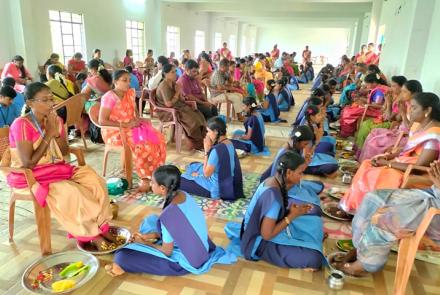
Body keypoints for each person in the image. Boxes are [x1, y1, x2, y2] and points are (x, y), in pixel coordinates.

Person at [4, 82, 113, 249]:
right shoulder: (22, 124)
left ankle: (102, 227)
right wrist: (48, 133)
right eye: (45, 100)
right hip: (29, 175)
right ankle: (90, 234)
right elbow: (28, 163)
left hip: (54, 169)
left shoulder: (54, 120)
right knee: (73, 193)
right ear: (30, 103)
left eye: (51, 98)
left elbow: (62, 152)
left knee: (95, 181)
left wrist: (58, 130)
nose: (51, 103)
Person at [106, 165, 236, 276]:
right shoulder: (184, 195)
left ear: (163, 188)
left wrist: (143, 243)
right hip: (202, 247)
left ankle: (122, 265)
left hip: (189, 261)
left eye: (152, 182)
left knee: (122, 256)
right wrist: (148, 236)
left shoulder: (169, 216)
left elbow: (167, 252)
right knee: (152, 220)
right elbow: (177, 228)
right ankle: (142, 243)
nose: (150, 185)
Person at [335, 160, 440, 277]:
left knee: (387, 219)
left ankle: (367, 263)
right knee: (374, 198)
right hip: (432, 194)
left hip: (436, 209)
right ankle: (360, 246)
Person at [340, 92, 440, 214]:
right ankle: (356, 208)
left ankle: (368, 212)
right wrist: (392, 156)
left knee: (374, 173)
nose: (410, 111)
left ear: (428, 110)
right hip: (404, 162)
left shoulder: (434, 135)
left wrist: (388, 164)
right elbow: (409, 149)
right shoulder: (419, 125)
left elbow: (418, 168)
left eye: (414, 108)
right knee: (367, 163)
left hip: (412, 172)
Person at [225, 151, 324, 270]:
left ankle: (308, 243)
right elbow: (266, 235)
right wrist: (291, 216)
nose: (301, 176)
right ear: (288, 172)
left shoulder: (274, 180)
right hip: (259, 242)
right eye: (300, 173)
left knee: (313, 221)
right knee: (315, 258)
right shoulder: (274, 199)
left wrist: (292, 213)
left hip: (266, 227)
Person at [99, 70, 166, 193]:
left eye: (129, 80)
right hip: (115, 131)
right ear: (115, 82)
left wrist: (139, 121)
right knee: (142, 143)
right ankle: (145, 179)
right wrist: (126, 124)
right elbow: (102, 121)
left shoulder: (130, 93)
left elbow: (134, 114)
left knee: (158, 138)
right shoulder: (109, 97)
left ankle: (155, 176)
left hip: (131, 127)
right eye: (124, 80)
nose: (128, 83)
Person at [358, 80, 423, 162]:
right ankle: (362, 161)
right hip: (398, 130)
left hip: (405, 137)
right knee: (374, 132)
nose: (401, 94)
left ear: (414, 93)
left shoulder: (416, 109)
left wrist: (401, 112)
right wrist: (388, 102)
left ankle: (371, 163)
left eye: (404, 92)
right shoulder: (406, 103)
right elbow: (394, 116)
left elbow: (409, 127)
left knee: (375, 141)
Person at [180, 117, 244, 200]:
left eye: (209, 131)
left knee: (179, 180)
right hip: (228, 183)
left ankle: (193, 175)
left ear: (216, 132)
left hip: (215, 189)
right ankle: (194, 174)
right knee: (193, 165)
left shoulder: (216, 151)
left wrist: (207, 151)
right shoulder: (230, 143)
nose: (207, 135)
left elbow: (206, 174)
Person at [156, 63, 206, 150]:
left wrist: (180, 93)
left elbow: (182, 100)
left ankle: (202, 141)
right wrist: (177, 92)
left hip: (179, 107)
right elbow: (168, 104)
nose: (176, 74)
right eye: (172, 72)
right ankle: (196, 144)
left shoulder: (174, 83)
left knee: (199, 116)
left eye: (175, 71)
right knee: (192, 120)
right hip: (167, 112)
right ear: (165, 74)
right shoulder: (163, 86)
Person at [355, 76, 407, 150]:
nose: (391, 88)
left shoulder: (401, 101)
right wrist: (386, 101)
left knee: (366, 126)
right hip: (385, 118)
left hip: (392, 124)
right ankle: (359, 149)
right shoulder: (394, 95)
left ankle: (361, 149)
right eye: (391, 86)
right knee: (365, 123)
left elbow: (389, 118)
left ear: (401, 87)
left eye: (394, 86)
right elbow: (383, 110)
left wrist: (388, 103)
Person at [339, 73, 389, 137]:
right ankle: (346, 130)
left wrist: (365, 103)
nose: (367, 86)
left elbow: (378, 105)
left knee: (349, 113)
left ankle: (346, 133)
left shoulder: (379, 91)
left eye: (367, 84)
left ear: (374, 83)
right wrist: (362, 100)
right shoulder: (377, 88)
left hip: (375, 111)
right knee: (347, 108)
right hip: (370, 108)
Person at [301, 105, 338, 176]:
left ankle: (323, 169)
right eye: (319, 115)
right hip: (305, 163)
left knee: (331, 155)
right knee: (332, 166)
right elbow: (306, 156)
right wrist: (316, 142)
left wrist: (318, 138)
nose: (321, 116)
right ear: (312, 117)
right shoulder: (306, 131)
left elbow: (320, 134)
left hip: (312, 155)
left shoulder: (313, 125)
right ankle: (316, 171)